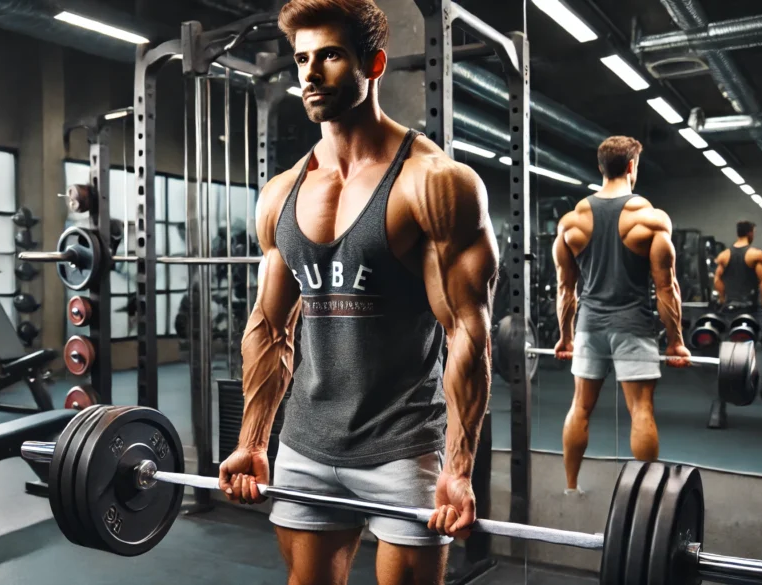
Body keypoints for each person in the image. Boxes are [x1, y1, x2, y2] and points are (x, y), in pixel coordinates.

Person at [217, 1, 499, 583]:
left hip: (402, 447)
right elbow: (270, 329)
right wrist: (252, 439)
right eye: (301, 59)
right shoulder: (279, 195)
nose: (310, 73)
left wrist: (460, 468)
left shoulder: (436, 183)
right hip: (305, 444)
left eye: (330, 56)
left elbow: (467, 334)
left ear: (373, 64)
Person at [552, 136, 691, 494]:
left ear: (602, 168)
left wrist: (565, 337)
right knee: (640, 410)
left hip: (589, 327)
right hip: (634, 327)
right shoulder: (650, 219)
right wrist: (676, 343)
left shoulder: (571, 221)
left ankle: (570, 487)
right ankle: (645, 497)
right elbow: (667, 289)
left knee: (580, 407)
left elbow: (567, 290)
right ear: (632, 167)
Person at [713, 220, 762, 312]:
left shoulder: (723, 255)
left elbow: (717, 279)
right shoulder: (755, 254)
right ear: (750, 233)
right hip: (749, 309)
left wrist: (722, 299)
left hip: (729, 308)